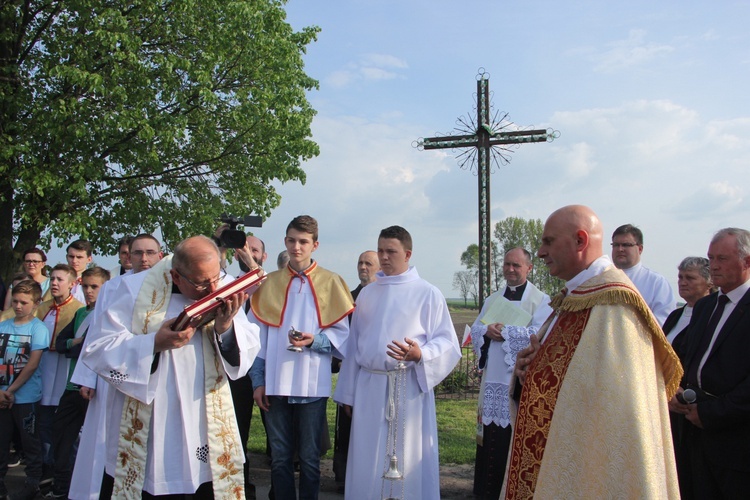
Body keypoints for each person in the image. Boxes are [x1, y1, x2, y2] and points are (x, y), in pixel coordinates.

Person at [506, 205, 682, 498]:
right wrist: (527, 373)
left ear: (580, 241)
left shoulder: (614, 306)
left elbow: (617, 414)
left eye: (548, 241)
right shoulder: (576, 296)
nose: (539, 252)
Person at [82, 235, 260, 498]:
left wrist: (225, 328)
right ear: (177, 276)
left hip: (204, 413)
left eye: (216, 278)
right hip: (154, 417)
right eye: (201, 283)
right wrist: (153, 343)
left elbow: (247, 346)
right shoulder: (131, 291)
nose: (213, 289)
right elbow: (98, 348)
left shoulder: (222, 286)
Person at [334, 226, 461, 500]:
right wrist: (348, 393)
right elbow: (354, 345)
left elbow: (448, 342)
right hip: (369, 386)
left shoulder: (427, 293)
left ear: (407, 254)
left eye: (390, 251)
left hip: (407, 387)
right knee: (367, 455)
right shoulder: (367, 294)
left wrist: (421, 355)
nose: (384, 257)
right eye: (380, 251)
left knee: (406, 454)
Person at [249, 215, 353, 500]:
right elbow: (255, 340)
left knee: (309, 460)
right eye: (292, 241)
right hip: (275, 384)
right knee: (280, 459)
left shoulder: (331, 282)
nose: (297, 247)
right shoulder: (268, 283)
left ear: (314, 245)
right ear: (285, 241)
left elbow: (343, 336)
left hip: (311, 387)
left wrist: (315, 340)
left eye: (303, 242)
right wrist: (258, 382)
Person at [68, 234, 165, 500]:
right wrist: (87, 377)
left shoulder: (168, 286)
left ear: (161, 255)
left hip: (148, 371)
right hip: (112, 370)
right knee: (107, 436)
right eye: (137, 253)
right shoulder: (114, 287)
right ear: (127, 257)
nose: (143, 259)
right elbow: (97, 333)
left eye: (149, 252)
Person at [471, 247, 551, 500]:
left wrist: (504, 332)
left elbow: (540, 335)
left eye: (516, 265)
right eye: (507, 264)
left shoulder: (542, 300)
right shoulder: (492, 299)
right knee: (490, 440)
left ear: (529, 268)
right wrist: (486, 331)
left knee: (512, 437)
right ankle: (485, 492)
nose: (510, 269)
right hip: (491, 380)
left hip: (518, 382)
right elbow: (475, 328)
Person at [677, 228, 750, 498]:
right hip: (693, 433)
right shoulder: (705, 307)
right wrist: (677, 391)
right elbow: (686, 357)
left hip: (734, 441)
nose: (714, 266)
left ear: (747, 262)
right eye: (711, 258)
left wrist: (711, 414)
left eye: (722, 258)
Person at [47, 267, 110, 499]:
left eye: (95, 287)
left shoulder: (110, 314)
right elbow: (61, 344)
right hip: (72, 386)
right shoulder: (81, 314)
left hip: (97, 389)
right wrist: (79, 342)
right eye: (86, 286)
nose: (89, 291)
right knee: (61, 437)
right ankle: (62, 488)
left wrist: (79, 347)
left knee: (96, 444)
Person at [661, 256, 712, 499]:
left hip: (684, 403)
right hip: (663, 397)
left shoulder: (709, 314)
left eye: (690, 278)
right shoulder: (676, 315)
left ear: (709, 282)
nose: (683, 282)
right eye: (680, 277)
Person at [332, 250, 380, 485]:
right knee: (346, 427)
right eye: (360, 262)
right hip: (350, 372)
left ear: (379, 267)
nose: (363, 267)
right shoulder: (347, 298)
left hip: (374, 374)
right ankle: (342, 476)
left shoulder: (383, 297)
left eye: (368, 263)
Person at [0, 280, 49, 500]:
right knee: (2, 441)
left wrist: (11, 390)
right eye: (16, 301)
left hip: (25, 397)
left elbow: (32, 364)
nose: (18, 306)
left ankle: (32, 483)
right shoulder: (3, 326)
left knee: (29, 441)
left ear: (37, 303)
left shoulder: (38, 329)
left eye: (24, 302)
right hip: (2, 395)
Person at [36, 264, 84, 483]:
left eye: (60, 279)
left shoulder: (79, 309)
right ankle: (48, 466)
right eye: (52, 279)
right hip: (43, 367)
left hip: (66, 368)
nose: (54, 283)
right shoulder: (41, 307)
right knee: (44, 420)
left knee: (67, 424)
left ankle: (67, 470)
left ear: (72, 284)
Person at [611, 224, 675, 324]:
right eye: (616, 245)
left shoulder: (656, 282)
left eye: (626, 245)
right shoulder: (601, 278)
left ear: (640, 249)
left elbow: (664, 321)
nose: (620, 249)